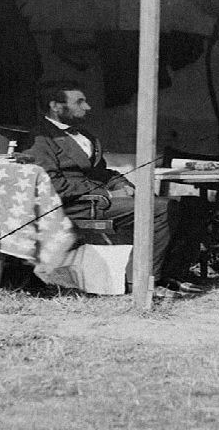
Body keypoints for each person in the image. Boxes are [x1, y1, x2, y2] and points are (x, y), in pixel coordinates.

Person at [16, 84, 203, 291]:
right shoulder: (41, 139)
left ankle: (172, 276)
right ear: (55, 106)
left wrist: (124, 185)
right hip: (75, 205)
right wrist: (106, 192)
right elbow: (51, 185)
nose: (87, 107)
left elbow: (103, 173)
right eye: (79, 102)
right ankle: (141, 282)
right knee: (161, 209)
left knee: (194, 205)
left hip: (99, 200)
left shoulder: (86, 136)